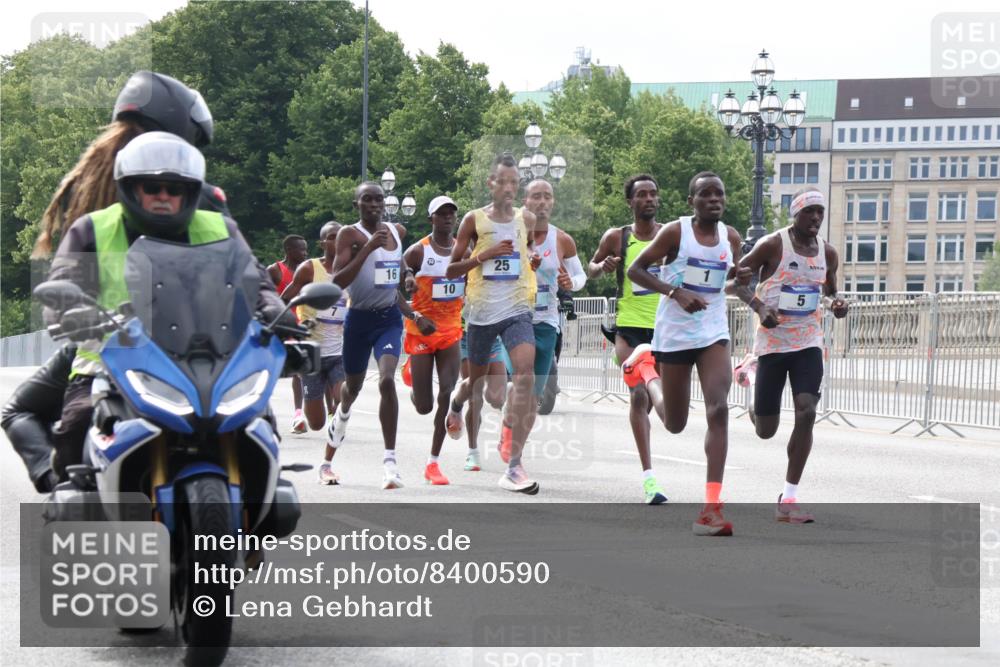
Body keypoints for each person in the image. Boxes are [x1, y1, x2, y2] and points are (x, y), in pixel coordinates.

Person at [3, 71, 227, 493]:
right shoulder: (200, 196)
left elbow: (241, 270)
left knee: (21, 412)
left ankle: (64, 488)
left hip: (109, 340)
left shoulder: (92, 190)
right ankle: (75, 494)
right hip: (159, 345)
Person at [43, 131, 288, 479]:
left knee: (257, 423)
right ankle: (77, 517)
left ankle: (260, 502)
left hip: (209, 361)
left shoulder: (220, 227)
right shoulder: (92, 229)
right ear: (130, 188)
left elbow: (256, 281)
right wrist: (67, 310)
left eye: (174, 189)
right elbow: (63, 280)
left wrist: (276, 312)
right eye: (152, 188)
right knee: (77, 426)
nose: (163, 196)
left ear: (188, 193)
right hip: (109, 363)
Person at [628, 171, 752, 536]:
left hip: (713, 330)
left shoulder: (731, 237)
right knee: (674, 423)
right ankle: (648, 373)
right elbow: (637, 270)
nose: (715, 199)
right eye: (706, 194)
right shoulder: (675, 233)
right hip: (675, 334)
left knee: (719, 408)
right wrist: (675, 292)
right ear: (691, 202)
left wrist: (746, 287)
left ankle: (711, 508)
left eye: (720, 194)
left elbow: (731, 283)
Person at [735, 188, 848, 523]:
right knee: (765, 430)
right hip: (772, 344)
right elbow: (736, 281)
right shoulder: (772, 245)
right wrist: (758, 305)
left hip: (808, 343)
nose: (815, 218)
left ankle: (789, 498)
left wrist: (836, 304)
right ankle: (752, 379)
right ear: (795, 214)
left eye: (820, 213)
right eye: (809, 211)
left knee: (807, 410)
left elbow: (829, 292)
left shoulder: (827, 253)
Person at [446, 152, 539, 494]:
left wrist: (533, 258)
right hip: (482, 313)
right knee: (476, 381)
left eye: (515, 182)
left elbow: (526, 251)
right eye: (503, 182)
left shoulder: (525, 218)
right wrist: (483, 255)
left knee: (525, 374)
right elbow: (451, 269)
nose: (510, 188)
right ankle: (457, 403)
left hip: (517, 309)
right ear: (491, 183)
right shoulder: (473, 220)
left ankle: (514, 466)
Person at [329, 182, 427, 490]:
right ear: (357, 203)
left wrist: (409, 284)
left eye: (378, 199)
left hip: (388, 319)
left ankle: (390, 463)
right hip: (358, 319)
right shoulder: (349, 235)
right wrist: (368, 248)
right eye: (367, 199)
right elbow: (337, 280)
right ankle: (342, 412)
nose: (374, 204)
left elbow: (394, 275)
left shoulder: (395, 231)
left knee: (387, 379)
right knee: (353, 388)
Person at [587, 174, 669, 505]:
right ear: (630, 202)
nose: (649, 199)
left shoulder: (671, 236)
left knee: (654, 402)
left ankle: (655, 392)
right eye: (642, 195)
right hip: (629, 327)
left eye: (653, 194)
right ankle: (649, 480)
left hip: (666, 328)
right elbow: (590, 268)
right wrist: (602, 266)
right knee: (639, 395)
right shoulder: (616, 237)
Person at [401, 196, 466, 485]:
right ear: (432, 219)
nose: (448, 218)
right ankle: (414, 377)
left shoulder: (464, 250)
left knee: (448, 393)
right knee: (424, 406)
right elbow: (396, 288)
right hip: (422, 332)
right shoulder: (418, 251)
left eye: (451, 213)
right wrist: (414, 314)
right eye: (442, 214)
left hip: (452, 330)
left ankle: (433, 463)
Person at [280, 221, 349, 485]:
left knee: (344, 399)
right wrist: (286, 325)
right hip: (311, 353)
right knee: (317, 422)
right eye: (331, 237)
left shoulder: (351, 270)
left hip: (339, 351)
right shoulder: (310, 268)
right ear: (323, 243)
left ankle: (328, 462)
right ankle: (323, 421)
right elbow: (286, 298)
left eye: (340, 237)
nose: (337, 242)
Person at [523, 179, 587, 407]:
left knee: (534, 394)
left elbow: (581, 277)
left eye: (547, 196)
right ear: (525, 201)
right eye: (536, 196)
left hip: (545, 321)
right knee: (515, 383)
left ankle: (515, 433)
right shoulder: (510, 235)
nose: (542, 201)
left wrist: (570, 283)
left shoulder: (562, 239)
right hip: (513, 318)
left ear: (553, 202)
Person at [268, 234, 310, 434]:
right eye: (301, 249)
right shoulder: (275, 271)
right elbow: (264, 296)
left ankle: (298, 414)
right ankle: (262, 410)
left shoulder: (307, 271)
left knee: (299, 370)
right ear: (289, 251)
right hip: (277, 326)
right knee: (270, 372)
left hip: (298, 327)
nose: (305, 253)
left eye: (306, 249)